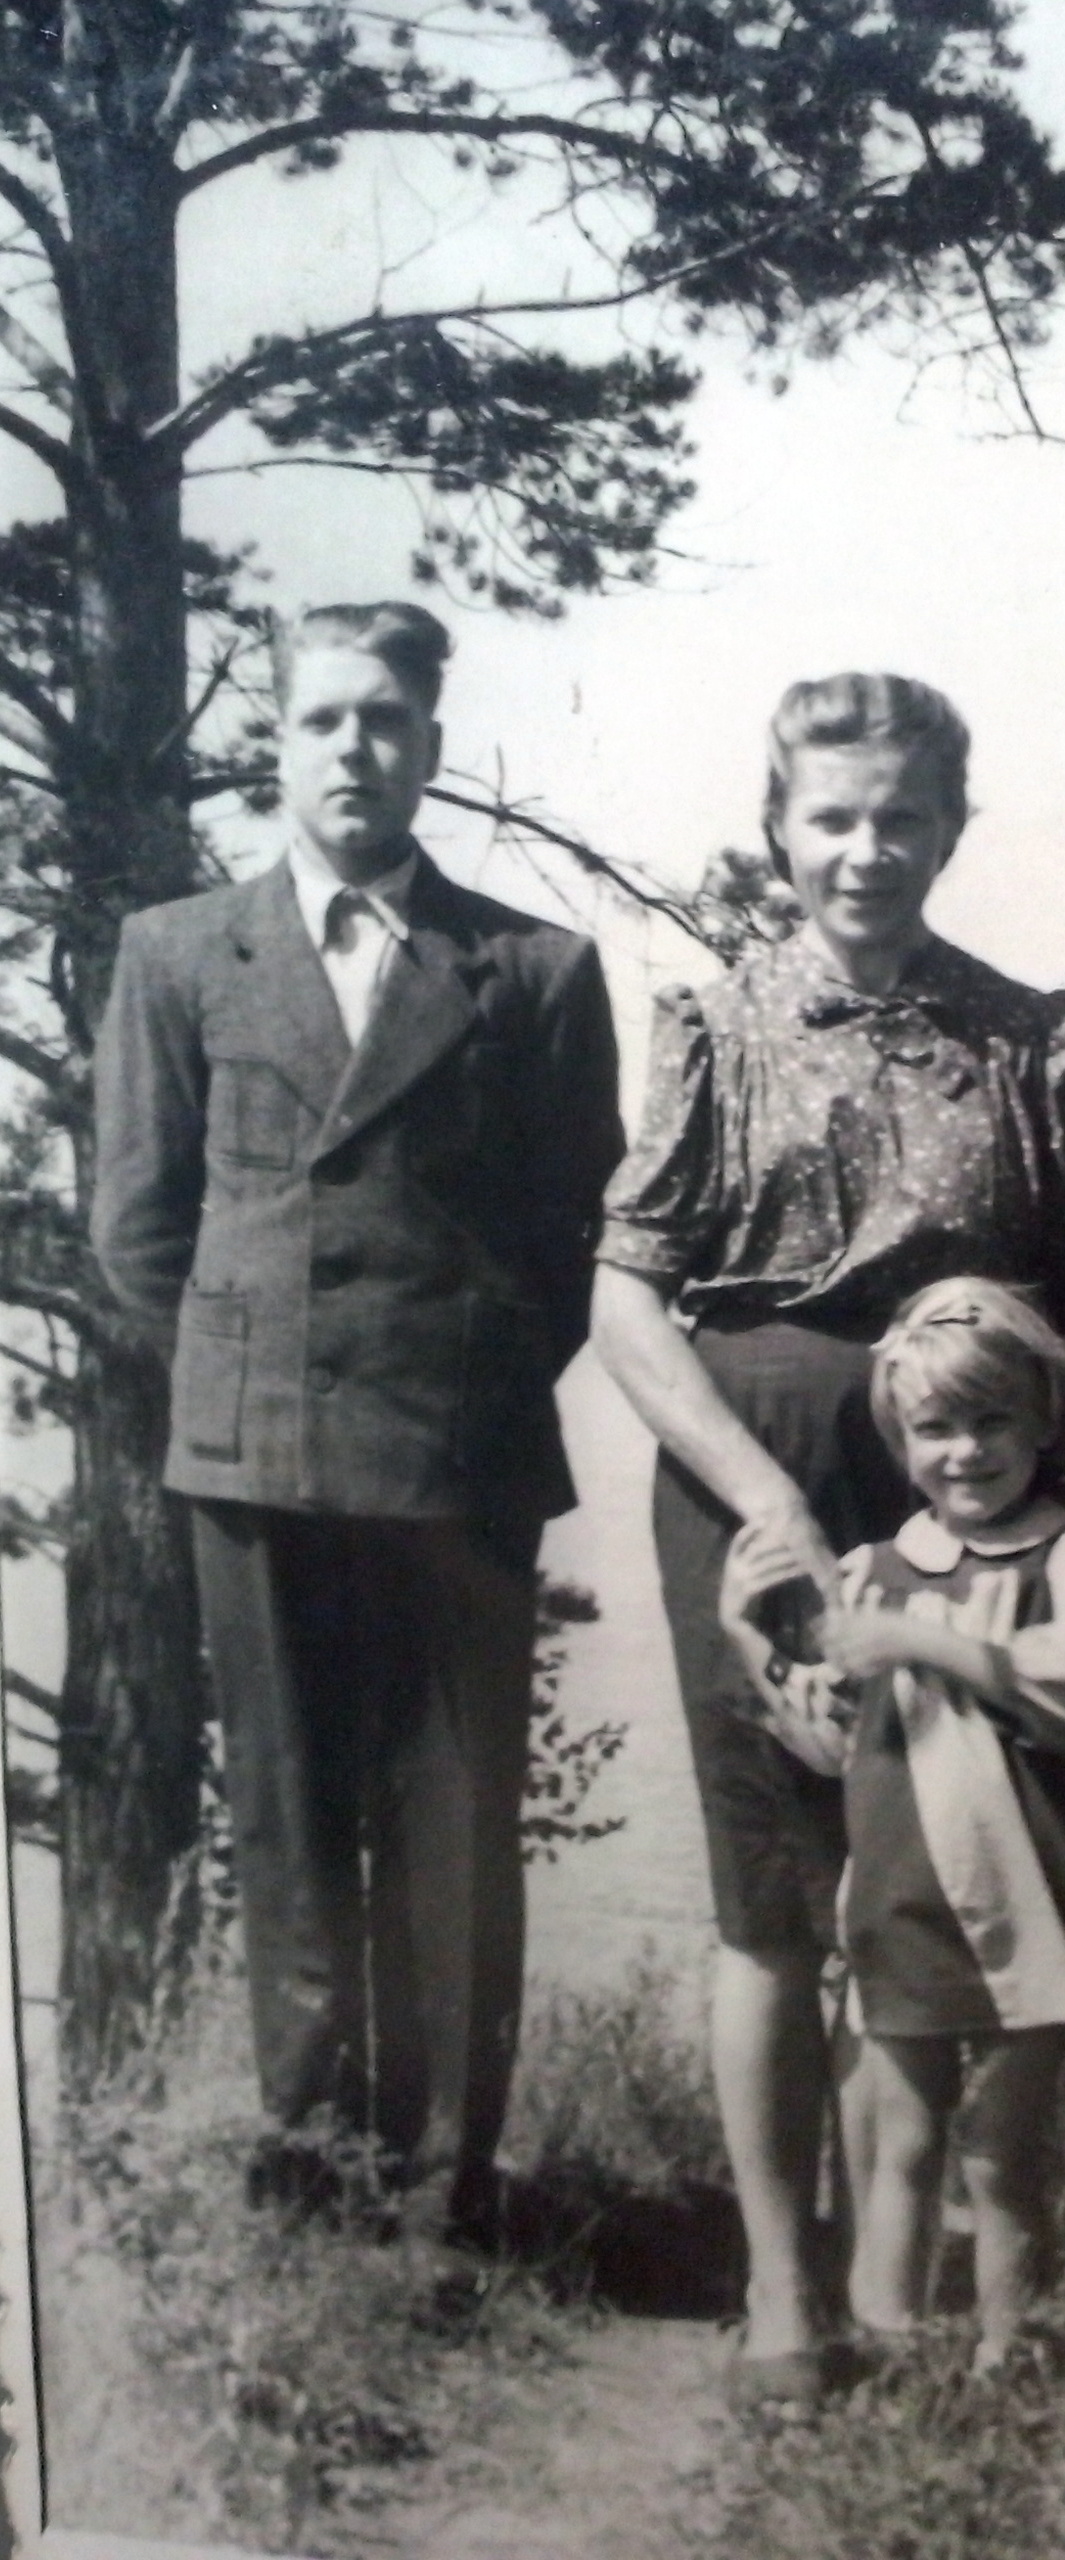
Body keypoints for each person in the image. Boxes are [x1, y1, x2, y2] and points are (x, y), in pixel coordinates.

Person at [591, 672, 1065, 2399]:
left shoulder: (1037, 1039)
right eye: (830, 816)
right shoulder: (713, 1022)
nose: (865, 850)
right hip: (761, 1464)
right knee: (773, 1900)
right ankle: (785, 2296)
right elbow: (624, 1298)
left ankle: (951, 2290)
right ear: (777, 828)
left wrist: (1052, 1508)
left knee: (951, 1872)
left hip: (967, 1478)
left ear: (951, 826)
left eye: (901, 816)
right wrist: (762, 1503)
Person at [91, 601, 623, 2232]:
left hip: (457, 1465)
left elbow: (571, 1238)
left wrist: (457, 1372)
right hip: (259, 1458)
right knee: (291, 1824)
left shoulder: (534, 970)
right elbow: (138, 1231)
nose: (354, 750)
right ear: (278, 741)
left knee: (455, 1837)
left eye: (385, 720)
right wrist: (257, 1369)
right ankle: (313, 2177)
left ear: (430, 747)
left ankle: (447, 2192)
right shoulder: (179, 951)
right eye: (323, 719)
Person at [721, 1280, 1065, 2374]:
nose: (964, 1452)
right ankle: (893, 2360)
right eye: (934, 1428)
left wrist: (924, 1644)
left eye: (991, 1421)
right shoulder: (871, 1571)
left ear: (1042, 1420)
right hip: (900, 1903)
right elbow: (829, 1746)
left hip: (1028, 1910)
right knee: (899, 2143)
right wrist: (746, 1634)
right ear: (898, 1437)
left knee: (1001, 2153)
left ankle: (1011, 2364)